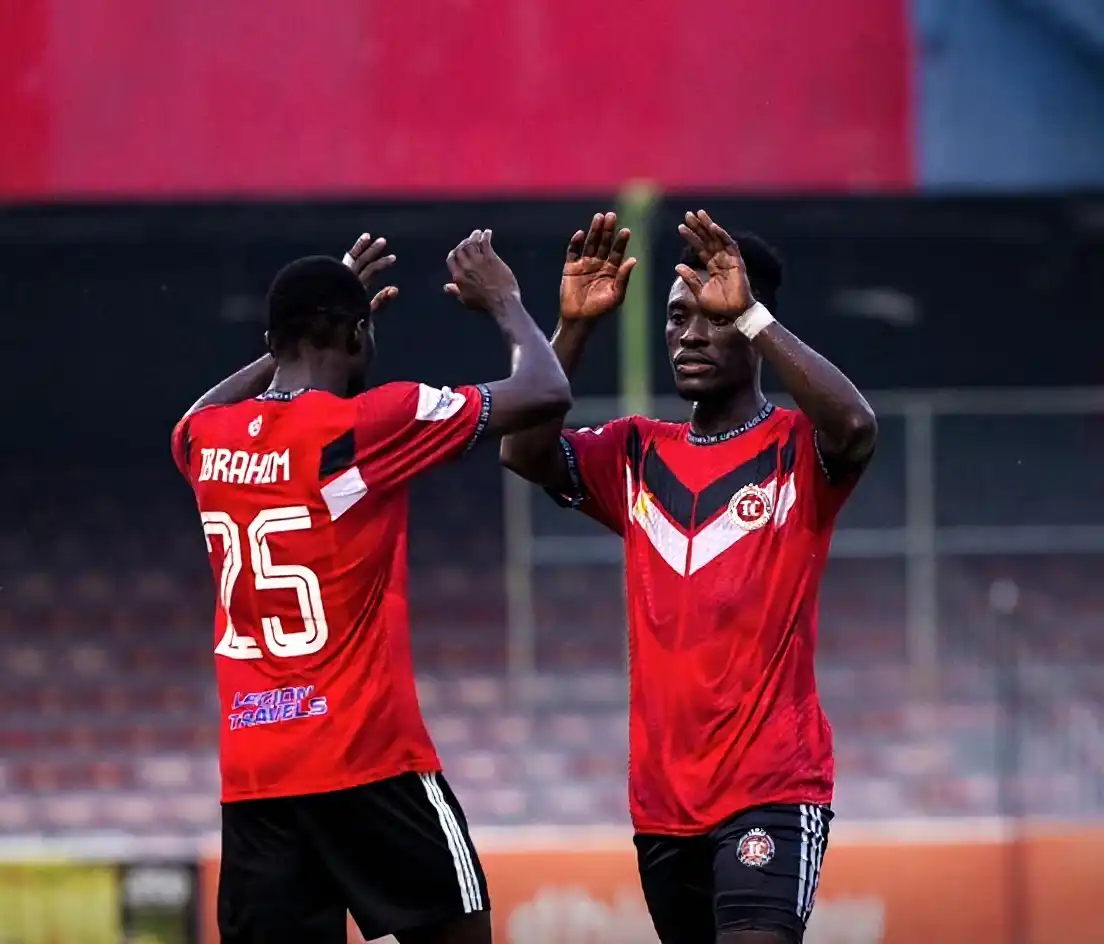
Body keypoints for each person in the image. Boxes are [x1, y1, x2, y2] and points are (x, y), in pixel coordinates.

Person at [171, 229, 571, 944]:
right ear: (355, 335)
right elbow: (544, 391)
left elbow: (189, 419)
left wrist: (293, 337)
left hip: (258, 778)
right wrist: (504, 301)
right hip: (366, 760)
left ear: (278, 339)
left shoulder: (211, 441)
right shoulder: (368, 424)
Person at [500, 210, 877, 944]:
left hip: (772, 787)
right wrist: (573, 328)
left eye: (713, 317)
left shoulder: (800, 451)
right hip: (662, 802)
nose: (690, 335)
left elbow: (858, 426)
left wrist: (756, 316)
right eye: (678, 319)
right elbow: (522, 451)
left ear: (751, 321)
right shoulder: (636, 452)